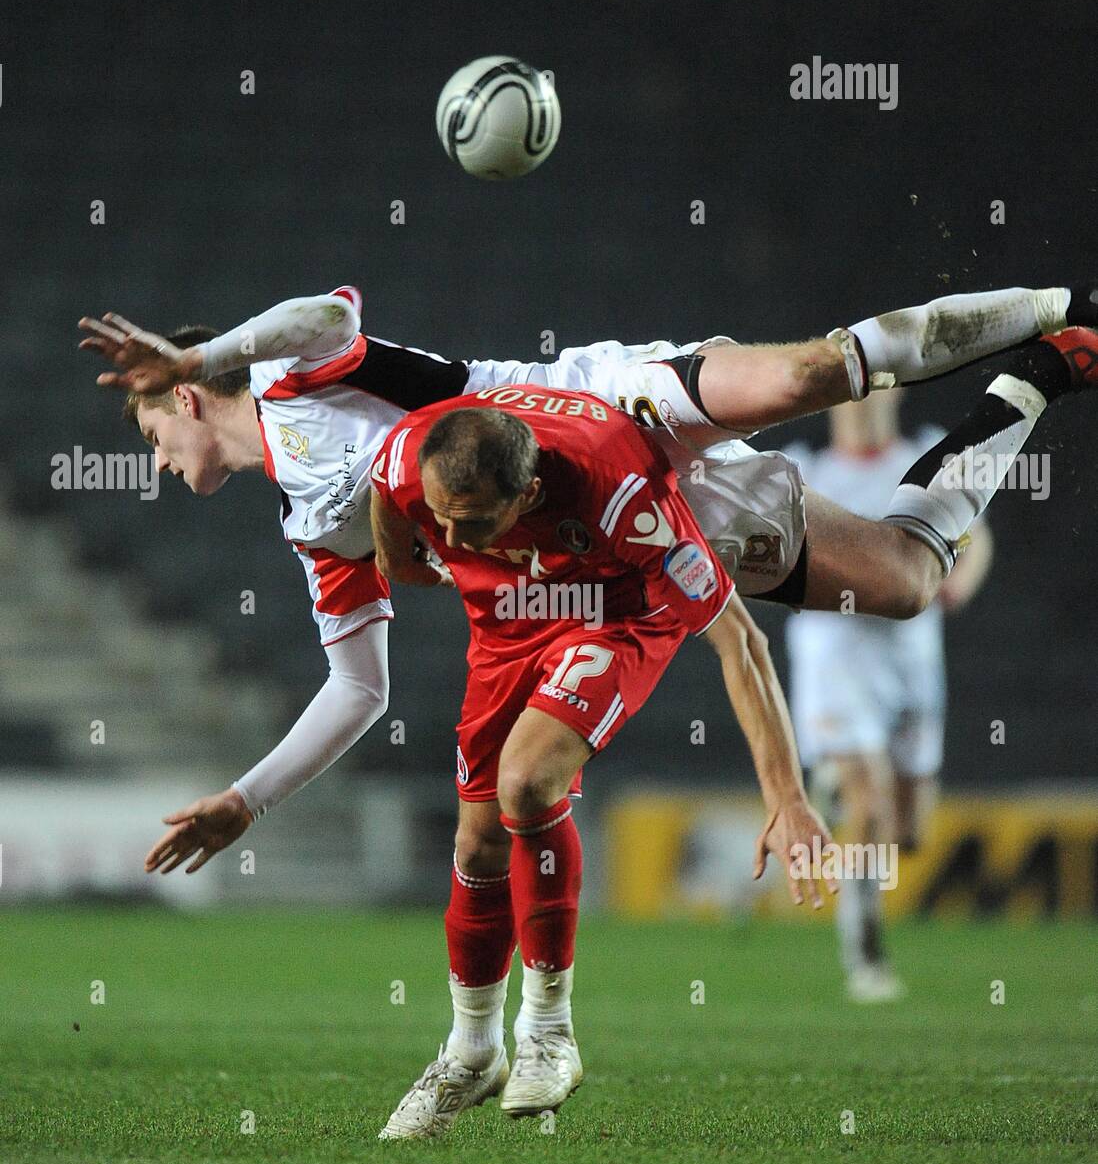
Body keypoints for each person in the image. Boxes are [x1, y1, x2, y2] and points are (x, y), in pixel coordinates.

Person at [76, 280, 1098, 870]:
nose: (159, 459)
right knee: (907, 580)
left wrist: (201, 351)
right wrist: (247, 801)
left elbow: (324, 315)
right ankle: (1047, 370)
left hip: (590, 409)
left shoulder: (289, 376)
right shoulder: (316, 530)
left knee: (807, 376)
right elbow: (359, 687)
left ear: (189, 396)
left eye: (152, 427)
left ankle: (1062, 296)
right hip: (594, 531)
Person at [366, 384, 828, 1136]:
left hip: (614, 615)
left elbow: (741, 641)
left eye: (475, 521)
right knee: (478, 845)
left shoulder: (623, 499)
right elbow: (392, 512)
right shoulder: (406, 458)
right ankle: (471, 1049)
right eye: (443, 517)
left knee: (526, 780)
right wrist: (427, 562)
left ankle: (549, 1032)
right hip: (504, 622)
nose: (455, 533)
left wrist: (788, 798)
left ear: (533, 493)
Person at [783, 389, 992, 1001]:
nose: (863, 399)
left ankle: (834, 790)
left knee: (908, 833)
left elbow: (973, 538)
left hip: (909, 659)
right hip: (835, 656)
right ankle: (865, 953)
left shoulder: (928, 456)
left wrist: (959, 585)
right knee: (870, 805)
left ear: (895, 389)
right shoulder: (807, 473)